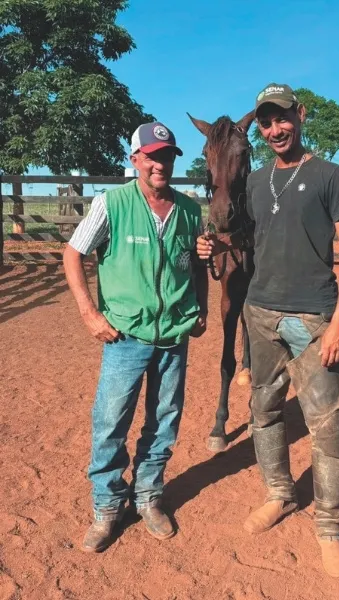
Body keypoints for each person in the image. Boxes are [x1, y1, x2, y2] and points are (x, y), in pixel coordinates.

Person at [197, 84, 339, 578]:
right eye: (267, 122)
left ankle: (331, 527)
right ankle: (279, 494)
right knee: (264, 412)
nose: (275, 129)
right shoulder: (256, 181)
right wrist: (209, 244)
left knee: (328, 427)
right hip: (260, 313)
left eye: (283, 119)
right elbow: (234, 229)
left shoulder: (330, 175)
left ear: (300, 115)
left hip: (313, 316)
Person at [64, 121, 208, 553]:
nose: (160, 163)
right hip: (124, 335)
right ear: (136, 160)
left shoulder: (188, 209)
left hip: (174, 335)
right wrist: (89, 314)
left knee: (164, 420)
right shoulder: (112, 204)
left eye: (167, 156)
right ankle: (107, 507)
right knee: (111, 422)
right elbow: (72, 255)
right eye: (152, 156)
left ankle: (148, 496)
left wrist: (200, 305)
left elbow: (194, 262)